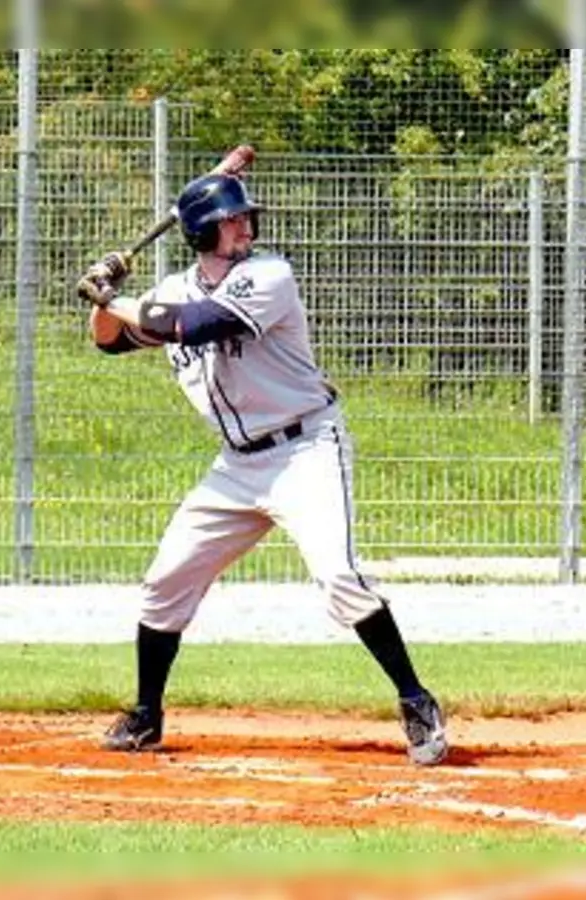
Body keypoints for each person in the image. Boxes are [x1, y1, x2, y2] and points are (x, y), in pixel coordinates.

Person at [76, 173, 449, 765]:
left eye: (245, 218)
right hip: (237, 465)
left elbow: (195, 324)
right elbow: (110, 341)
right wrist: (104, 296)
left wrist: (114, 299)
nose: (245, 227)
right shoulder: (172, 289)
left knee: (340, 578)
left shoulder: (269, 275)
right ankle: (146, 715)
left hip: (305, 449)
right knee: (166, 581)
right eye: (232, 220)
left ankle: (416, 701)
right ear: (202, 232)